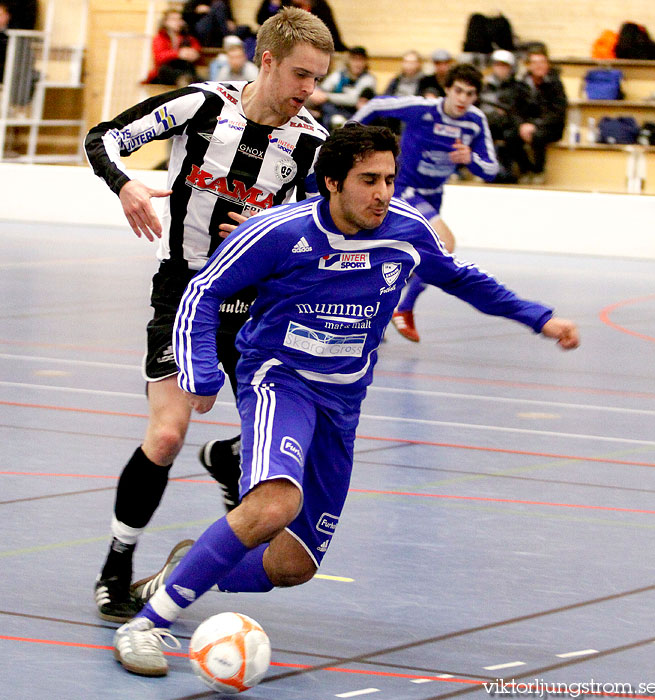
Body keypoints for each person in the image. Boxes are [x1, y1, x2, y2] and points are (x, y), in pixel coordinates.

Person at [111, 122, 579, 677]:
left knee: (292, 565)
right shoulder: (278, 233)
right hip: (279, 380)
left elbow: (465, 280)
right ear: (332, 182)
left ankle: (185, 569)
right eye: (368, 180)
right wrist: (203, 372)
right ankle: (144, 625)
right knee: (275, 504)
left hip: (343, 402)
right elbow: (201, 292)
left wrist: (540, 318)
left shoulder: (406, 232)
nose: (382, 192)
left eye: (389, 178)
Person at [84, 7, 334, 623]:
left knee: (275, 448)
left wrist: (267, 229)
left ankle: (229, 457)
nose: (309, 91)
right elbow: (105, 138)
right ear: (266, 60)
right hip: (185, 290)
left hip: (260, 305)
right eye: (300, 74)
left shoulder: (312, 144)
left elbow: (321, 233)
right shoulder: (201, 107)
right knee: (167, 435)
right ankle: (117, 565)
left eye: (318, 78)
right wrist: (126, 185)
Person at [352, 63, 498, 342]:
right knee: (445, 245)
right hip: (404, 188)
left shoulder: (475, 121)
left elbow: (490, 170)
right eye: (458, 91)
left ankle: (370, 313)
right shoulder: (422, 108)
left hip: (434, 193)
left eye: (469, 94)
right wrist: (349, 131)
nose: (462, 99)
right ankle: (403, 309)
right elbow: (376, 106)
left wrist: (471, 160)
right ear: (447, 89)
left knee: (407, 259)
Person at [509, 47, 567, 184]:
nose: (539, 66)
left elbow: (558, 112)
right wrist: (522, 125)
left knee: (538, 136)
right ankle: (525, 170)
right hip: (526, 125)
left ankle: (539, 171)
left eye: (542, 62)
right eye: (535, 62)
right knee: (510, 135)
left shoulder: (555, 84)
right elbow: (514, 110)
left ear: (547, 64)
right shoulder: (520, 84)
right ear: (528, 65)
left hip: (549, 126)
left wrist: (535, 125)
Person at [480, 49, 534, 184]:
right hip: (490, 124)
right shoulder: (484, 87)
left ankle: (521, 169)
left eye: (504, 66)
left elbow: (524, 110)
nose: (500, 69)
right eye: (498, 65)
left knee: (511, 136)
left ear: (511, 68)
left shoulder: (519, 88)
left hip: (511, 126)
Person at [308, 46, 377, 129]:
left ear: (365, 62)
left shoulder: (368, 79)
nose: (357, 63)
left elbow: (354, 100)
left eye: (361, 60)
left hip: (352, 115)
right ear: (349, 61)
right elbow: (322, 89)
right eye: (354, 59)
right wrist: (317, 94)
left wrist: (327, 97)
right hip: (331, 111)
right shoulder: (339, 75)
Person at [146, 9, 201, 87]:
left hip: (183, 68)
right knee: (164, 70)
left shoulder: (187, 38)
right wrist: (178, 54)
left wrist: (193, 53)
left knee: (190, 71)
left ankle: (186, 80)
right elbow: (159, 57)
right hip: (166, 70)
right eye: (173, 19)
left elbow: (196, 48)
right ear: (165, 22)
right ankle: (183, 80)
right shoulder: (160, 37)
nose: (177, 22)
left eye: (179, 19)